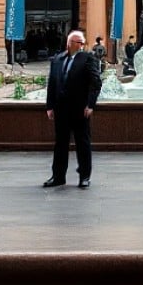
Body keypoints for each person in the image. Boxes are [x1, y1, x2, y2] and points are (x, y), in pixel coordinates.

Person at [43, 29, 102, 188]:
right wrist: (50, 106)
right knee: (60, 144)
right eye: (79, 42)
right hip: (61, 109)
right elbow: (52, 84)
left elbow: (96, 83)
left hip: (80, 109)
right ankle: (58, 176)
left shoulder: (88, 58)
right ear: (70, 43)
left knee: (83, 143)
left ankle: (84, 176)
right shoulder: (57, 59)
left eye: (83, 43)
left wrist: (90, 104)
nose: (82, 45)